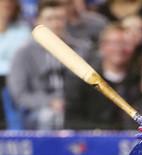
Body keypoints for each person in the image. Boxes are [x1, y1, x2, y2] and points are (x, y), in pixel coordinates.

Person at [7, 0, 90, 129]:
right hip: (39, 110)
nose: (55, 24)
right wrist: (49, 102)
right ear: (37, 22)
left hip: (76, 106)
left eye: (59, 19)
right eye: (49, 19)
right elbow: (19, 94)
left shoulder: (81, 49)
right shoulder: (23, 53)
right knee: (51, 116)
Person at [64, 22, 139, 129]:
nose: (120, 49)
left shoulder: (139, 80)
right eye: (115, 43)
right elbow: (71, 120)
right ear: (103, 46)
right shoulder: (84, 80)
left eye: (125, 43)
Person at [0, 0, 30, 128]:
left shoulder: (23, 30)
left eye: (10, 3)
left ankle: (15, 134)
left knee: (12, 87)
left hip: (13, 80)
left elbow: (23, 60)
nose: (7, 6)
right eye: (3, 3)